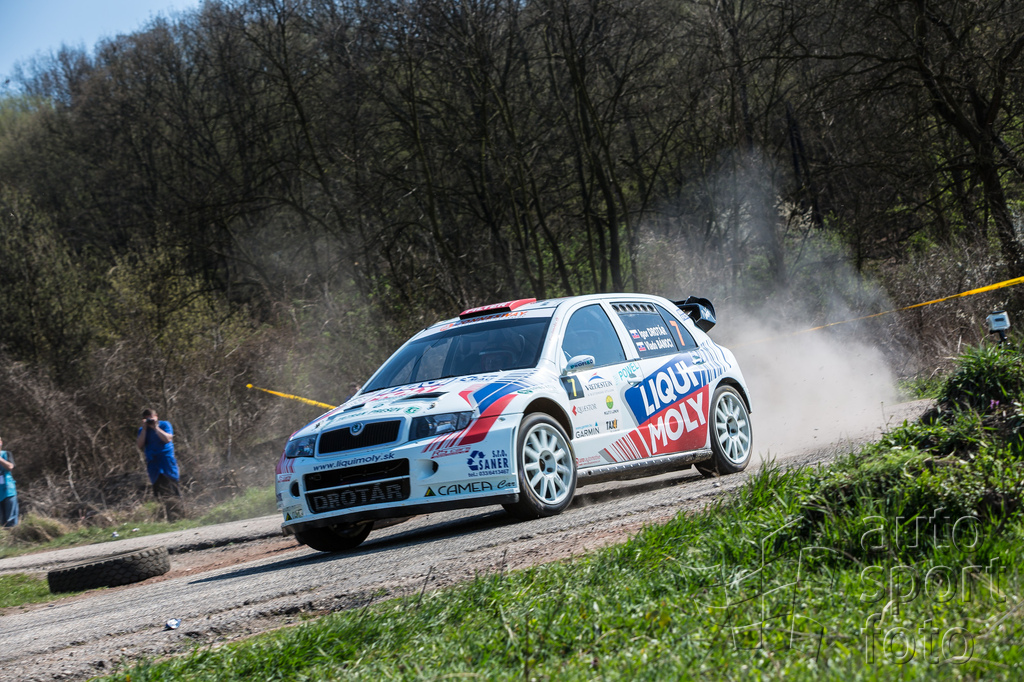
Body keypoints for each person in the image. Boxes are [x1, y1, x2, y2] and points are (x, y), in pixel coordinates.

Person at [135, 409, 183, 521]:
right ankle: (164, 517)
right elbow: (139, 445)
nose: (149, 420)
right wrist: (145, 429)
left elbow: (167, 439)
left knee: (173, 486)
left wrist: (155, 427)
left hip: (166, 461)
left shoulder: (165, 425)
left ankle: (179, 515)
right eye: (147, 418)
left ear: (156, 416)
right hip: (153, 463)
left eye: (151, 417)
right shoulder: (143, 430)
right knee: (158, 490)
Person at [0, 436, 18, 528]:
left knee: (11, 519)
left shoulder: (6, 454)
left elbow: (10, 466)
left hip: (8, 491)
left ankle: (13, 535)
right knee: (1, 521)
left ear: (1, 443)